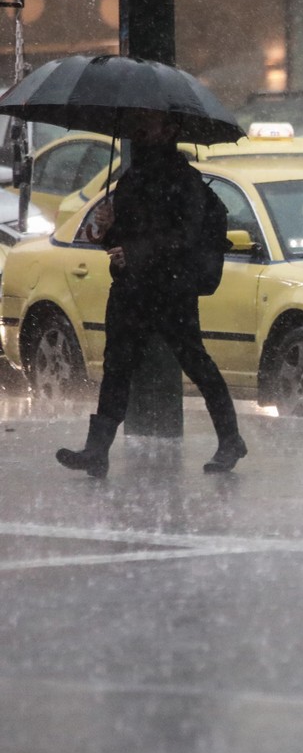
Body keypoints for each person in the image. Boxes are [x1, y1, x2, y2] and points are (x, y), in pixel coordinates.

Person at [55, 109, 246, 479]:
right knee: (117, 367)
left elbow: (185, 237)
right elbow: (123, 239)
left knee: (195, 362)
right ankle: (97, 450)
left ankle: (231, 438)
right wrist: (107, 230)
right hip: (130, 290)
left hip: (171, 290)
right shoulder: (132, 178)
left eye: (149, 123)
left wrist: (136, 251)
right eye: (137, 122)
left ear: (170, 130)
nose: (139, 129)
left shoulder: (185, 181)